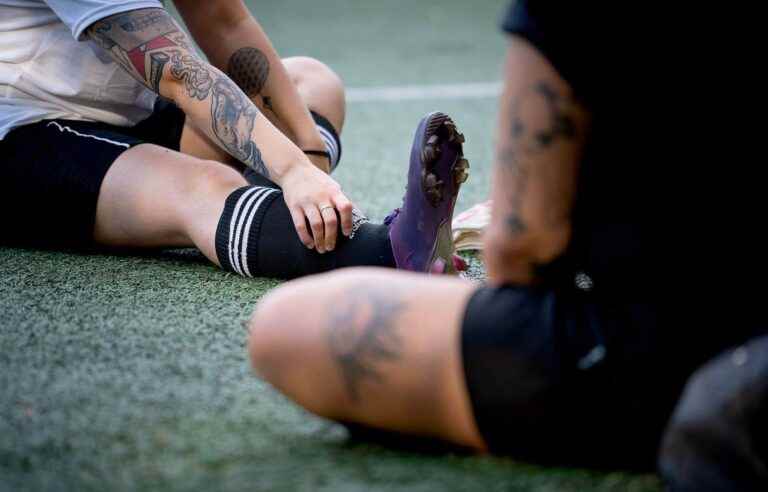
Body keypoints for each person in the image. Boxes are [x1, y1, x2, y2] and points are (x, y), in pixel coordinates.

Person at [246, 0, 767, 472]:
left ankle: (391, 250)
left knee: (284, 326)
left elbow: (526, 247)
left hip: (648, 350)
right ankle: (393, 245)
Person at [0, 0, 470, 278]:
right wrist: (289, 170)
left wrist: (309, 161)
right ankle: (392, 252)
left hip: (126, 109)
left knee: (311, 82)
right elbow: (178, 73)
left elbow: (223, 20)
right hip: (26, 138)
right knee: (199, 186)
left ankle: (280, 219)